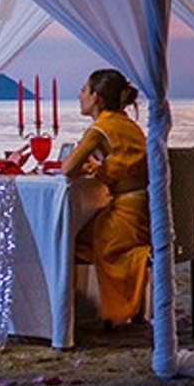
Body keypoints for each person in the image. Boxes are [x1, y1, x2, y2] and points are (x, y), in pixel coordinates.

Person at [61, 68, 151, 324]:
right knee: (74, 236)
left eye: (84, 90)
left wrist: (86, 164)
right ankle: (92, 308)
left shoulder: (101, 128)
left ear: (96, 97)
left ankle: (72, 313)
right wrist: (100, 168)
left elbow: (67, 168)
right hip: (142, 212)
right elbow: (123, 164)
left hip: (124, 220)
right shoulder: (127, 124)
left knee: (64, 241)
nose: (79, 95)